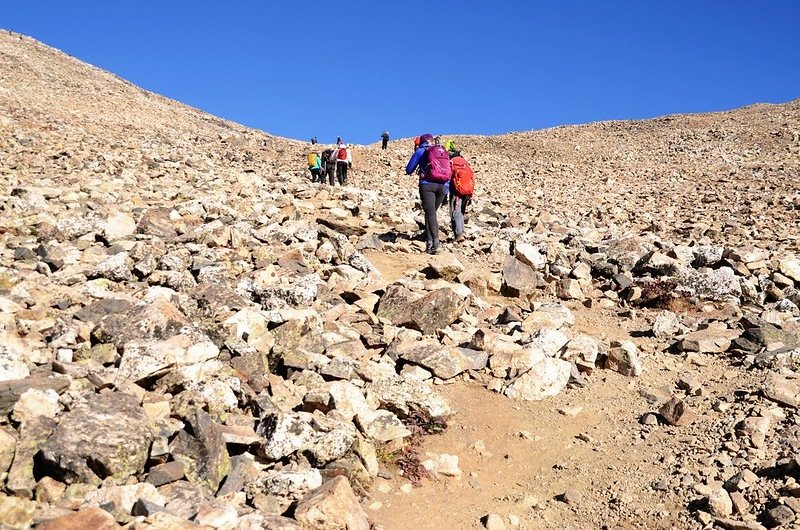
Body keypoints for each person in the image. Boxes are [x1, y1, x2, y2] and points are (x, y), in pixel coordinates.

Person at [406, 133, 452, 254]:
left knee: (430, 213)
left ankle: (435, 243)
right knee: (431, 212)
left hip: (427, 185)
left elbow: (409, 169)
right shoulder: (442, 151)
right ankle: (429, 243)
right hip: (443, 187)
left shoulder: (421, 151)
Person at [448, 147, 473, 243]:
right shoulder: (465, 163)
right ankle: (462, 232)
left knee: (455, 212)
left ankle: (459, 234)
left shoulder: (452, 162)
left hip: (456, 191)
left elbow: (448, 175)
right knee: (461, 212)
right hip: (467, 191)